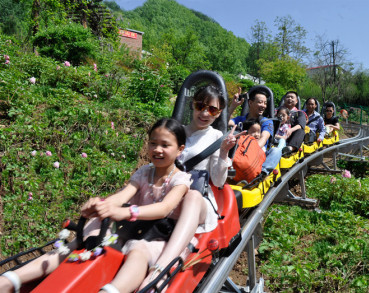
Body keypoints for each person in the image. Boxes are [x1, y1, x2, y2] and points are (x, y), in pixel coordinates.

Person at [0, 118, 192, 293]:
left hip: (158, 235)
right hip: (132, 227)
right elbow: (124, 195)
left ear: (180, 149)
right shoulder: (144, 172)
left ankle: (112, 291)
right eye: (153, 143)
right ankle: (12, 279)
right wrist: (102, 204)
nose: (157, 149)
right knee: (83, 242)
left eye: (165, 145)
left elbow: (164, 208)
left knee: (138, 252)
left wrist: (124, 211)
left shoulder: (180, 180)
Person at [138, 85, 241, 289]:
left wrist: (223, 153)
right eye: (200, 106)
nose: (204, 113)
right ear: (192, 105)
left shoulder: (216, 137)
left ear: (219, 113)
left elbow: (219, 182)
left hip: (197, 198)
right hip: (168, 194)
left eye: (212, 110)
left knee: (192, 196)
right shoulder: (177, 132)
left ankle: (162, 267)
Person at [228, 90, 281, 176]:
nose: (263, 106)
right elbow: (225, 123)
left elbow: (263, 138)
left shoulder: (267, 122)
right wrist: (233, 106)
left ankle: (261, 174)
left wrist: (250, 152)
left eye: (265, 103)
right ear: (250, 103)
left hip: (257, 153)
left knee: (276, 151)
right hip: (239, 152)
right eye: (260, 102)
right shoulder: (241, 119)